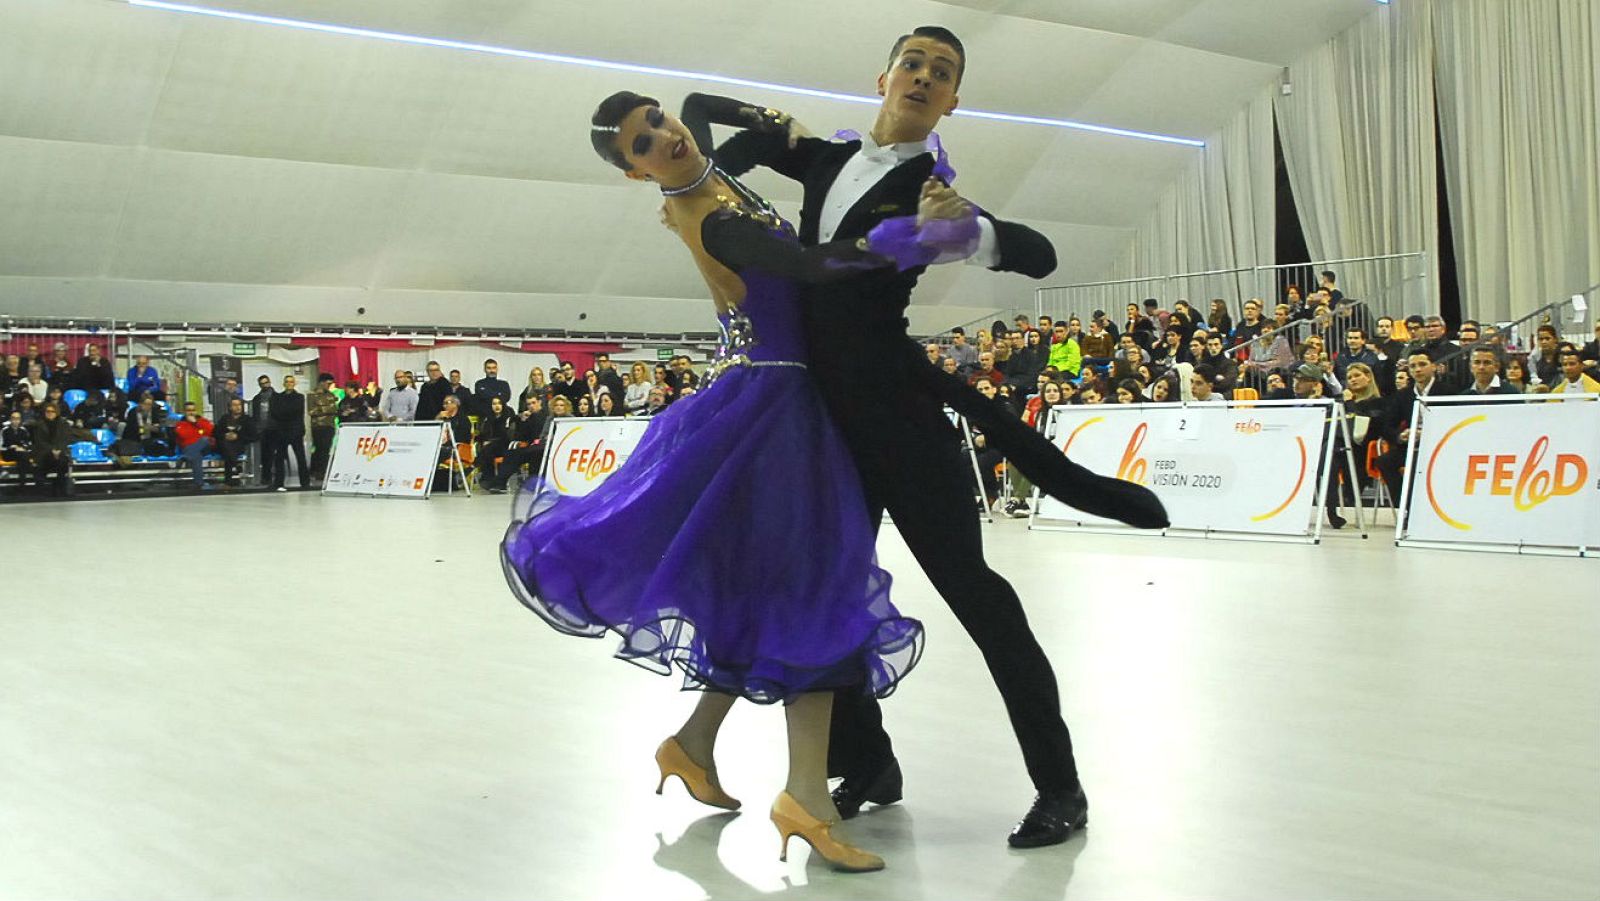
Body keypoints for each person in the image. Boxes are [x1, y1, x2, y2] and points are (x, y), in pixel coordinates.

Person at [695, 26, 1168, 849]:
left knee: (979, 598)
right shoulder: (828, 160)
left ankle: (1062, 787)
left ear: (952, 100)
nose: (923, 76)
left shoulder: (932, 190)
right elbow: (708, 141)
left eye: (941, 73)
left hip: (902, 429)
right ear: (883, 76)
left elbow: (1041, 253)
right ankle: (868, 762)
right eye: (913, 63)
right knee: (826, 599)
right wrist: (738, 143)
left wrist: (969, 233)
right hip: (827, 429)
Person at [29, 402, 87, 496]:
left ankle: (59, 488)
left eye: (52, 411)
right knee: (47, 461)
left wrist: (58, 449)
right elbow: (39, 441)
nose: (50, 413)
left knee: (62, 461)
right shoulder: (38, 425)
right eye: (48, 411)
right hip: (44, 452)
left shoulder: (64, 424)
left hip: (60, 451)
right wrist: (52, 450)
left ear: (56, 412)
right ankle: (47, 490)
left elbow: (65, 439)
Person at [267, 374, 309, 491]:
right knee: (279, 458)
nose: (289, 384)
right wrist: (284, 413)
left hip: (296, 432)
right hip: (281, 432)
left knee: (300, 458)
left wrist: (283, 412)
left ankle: (305, 483)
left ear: (294, 384)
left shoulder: (299, 397)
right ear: (284, 383)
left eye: (291, 382)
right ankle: (279, 483)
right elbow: (274, 412)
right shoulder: (277, 397)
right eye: (287, 382)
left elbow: (294, 411)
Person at [173, 401, 216, 490]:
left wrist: (196, 423)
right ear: (184, 412)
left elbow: (210, 432)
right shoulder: (180, 424)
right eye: (188, 410)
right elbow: (184, 436)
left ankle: (186, 456)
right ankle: (199, 484)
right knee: (196, 456)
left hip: (205, 447)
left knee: (205, 440)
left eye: (193, 410)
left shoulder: (203, 421)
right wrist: (198, 432)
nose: (191, 412)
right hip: (189, 448)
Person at [215, 397, 255, 487]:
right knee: (226, 446)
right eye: (235, 405)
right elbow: (217, 432)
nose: (238, 407)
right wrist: (225, 435)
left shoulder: (247, 419)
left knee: (228, 451)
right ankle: (236, 465)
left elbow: (253, 436)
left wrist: (238, 436)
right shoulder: (224, 419)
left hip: (239, 445)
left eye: (239, 405)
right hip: (224, 444)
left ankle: (228, 480)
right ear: (230, 407)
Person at [307, 373, 340, 484]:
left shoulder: (330, 394)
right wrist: (328, 409)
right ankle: (316, 471)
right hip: (318, 426)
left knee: (326, 449)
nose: (329, 386)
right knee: (318, 449)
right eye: (328, 383)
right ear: (322, 382)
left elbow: (335, 408)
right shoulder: (312, 395)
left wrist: (326, 409)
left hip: (329, 425)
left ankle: (323, 472)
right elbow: (311, 411)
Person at [250, 375, 276, 485]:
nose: (265, 385)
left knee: (272, 454)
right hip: (261, 429)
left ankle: (274, 477)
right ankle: (266, 477)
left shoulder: (277, 397)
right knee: (264, 455)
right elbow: (254, 414)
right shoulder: (257, 399)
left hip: (273, 429)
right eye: (262, 383)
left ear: (270, 382)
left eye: (266, 382)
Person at [2, 410, 33, 483]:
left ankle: (22, 481)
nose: (16, 420)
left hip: (21, 453)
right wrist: (11, 447)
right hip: (8, 453)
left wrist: (23, 448)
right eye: (14, 418)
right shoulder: (4, 430)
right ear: (10, 419)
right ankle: (25, 480)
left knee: (22, 456)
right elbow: (1, 446)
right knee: (24, 456)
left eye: (18, 418)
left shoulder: (23, 430)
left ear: (20, 419)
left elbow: (28, 443)